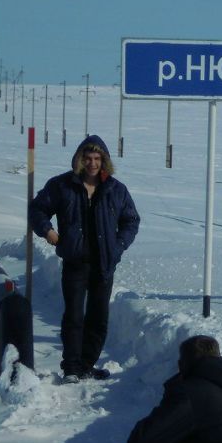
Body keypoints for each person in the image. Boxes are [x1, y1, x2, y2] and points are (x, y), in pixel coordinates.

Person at [29, 135, 139, 384]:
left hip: (104, 263)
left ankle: (86, 365)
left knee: (98, 318)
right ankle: (71, 367)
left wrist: (119, 245)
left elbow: (131, 220)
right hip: (75, 261)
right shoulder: (62, 186)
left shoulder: (115, 189)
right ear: (80, 159)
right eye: (87, 158)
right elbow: (37, 209)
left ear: (105, 161)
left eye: (97, 158)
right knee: (74, 315)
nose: (92, 163)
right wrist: (48, 231)